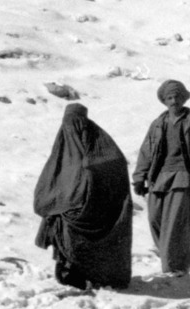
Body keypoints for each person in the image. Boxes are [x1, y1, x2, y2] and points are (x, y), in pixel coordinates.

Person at [32, 103, 133, 290]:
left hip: (97, 211)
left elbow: (113, 168)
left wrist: (91, 184)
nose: (72, 128)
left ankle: (93, 277)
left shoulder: (102, 146)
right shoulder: (63, 146)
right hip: (70, 209)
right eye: (68, 123)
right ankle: (72, 272)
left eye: (77, 123)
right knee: (61, 224)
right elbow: (52, 177)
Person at [131, 79, 190, 276]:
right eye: (169, 98)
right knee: (155, 219)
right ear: (164, 101)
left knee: (174, 224)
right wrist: (140, 178)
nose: (174, 101)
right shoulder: (157, 124)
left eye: (177, 97)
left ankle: (174, 268)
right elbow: (146, 152)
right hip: (159, 177)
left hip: (185, 176)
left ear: (183, 98)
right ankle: (178, 258)